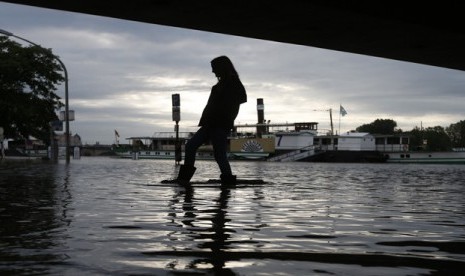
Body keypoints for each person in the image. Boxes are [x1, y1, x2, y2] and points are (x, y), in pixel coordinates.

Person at [177, 56, 247, 186]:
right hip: (209, 124)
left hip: (220, 125)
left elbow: (238, 102)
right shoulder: (218, 87)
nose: (213, 72)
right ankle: (184, 179)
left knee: (219, 154)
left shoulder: (233, 84)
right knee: (191, 146)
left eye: (214, 69)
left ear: (222, 68)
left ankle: (227, 181)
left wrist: (226, 120)